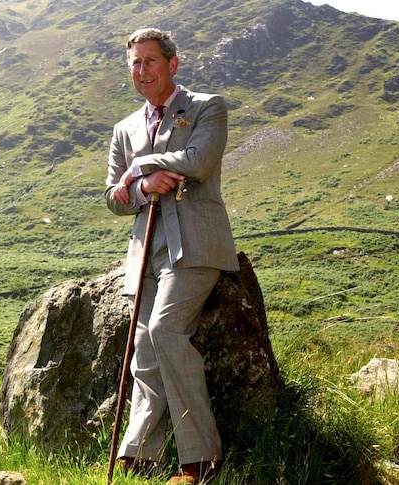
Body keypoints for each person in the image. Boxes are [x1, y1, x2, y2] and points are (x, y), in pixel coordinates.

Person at [104, 28, 239, 485]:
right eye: (135, 64)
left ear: (172, 64)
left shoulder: (207, 107)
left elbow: (200, 162)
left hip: (197, 242)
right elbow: (113, 196)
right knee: (143, 350)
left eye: (150, 61)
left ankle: (201, 460)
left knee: (165, 330)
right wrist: (141, 188)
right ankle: (140, 453)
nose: (142, 71)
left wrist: (144, 167)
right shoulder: (123, 128)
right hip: (145, 251)